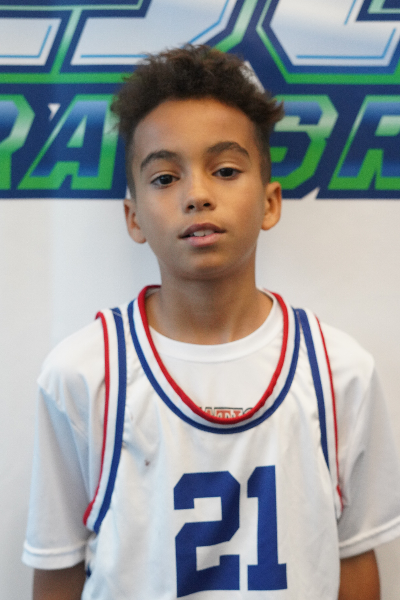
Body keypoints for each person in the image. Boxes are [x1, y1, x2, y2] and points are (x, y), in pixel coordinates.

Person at [23, 45, 400, 600]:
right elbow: (56, 572)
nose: (197, 195)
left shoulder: (340, 373)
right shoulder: (82, 375)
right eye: (164, 178)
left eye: (225, 170)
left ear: (270, 202)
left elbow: (354, 563)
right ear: (133, 217)